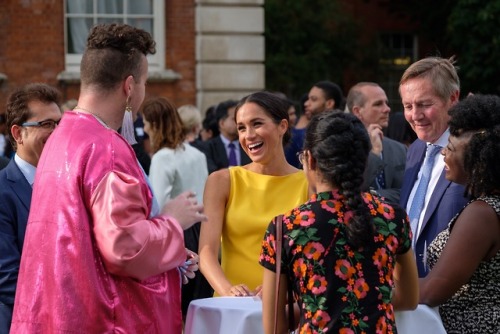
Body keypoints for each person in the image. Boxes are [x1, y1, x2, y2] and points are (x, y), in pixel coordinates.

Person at [10, 23, 206, 333]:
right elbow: (124, 248)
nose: (143, 92)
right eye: (144, 82)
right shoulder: (106, 148)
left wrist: (172, 257)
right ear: (129, 86)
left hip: (60, 312)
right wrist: (171, 221)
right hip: (101, 319)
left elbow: (84, 239)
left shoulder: (62, 137)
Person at [259, 111, 418, 333]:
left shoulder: (286, 227)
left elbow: (274, 327)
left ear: (310, 159)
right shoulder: (392, 216)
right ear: (364, 159)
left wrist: (317, 306)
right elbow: (410, 299)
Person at [199, 91, 309, 297]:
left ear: (282, 126)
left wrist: (284, 292)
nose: (248, 135)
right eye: (241, 128)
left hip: (287, 310)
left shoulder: (308, 183)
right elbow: (206, 254)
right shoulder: (222, 181)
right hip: (232, 310)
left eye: (257, 124)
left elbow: (314, 256)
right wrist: (229, 291)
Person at [419, 94, 500, 333]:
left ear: (479, 160)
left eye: (451, 147)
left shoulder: (482, 214)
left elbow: (431, 291)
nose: (444, 153)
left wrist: (366, 290)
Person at [142, 97, 212, 319]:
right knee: (198, 306)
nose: (143, 128)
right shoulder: (197, 154)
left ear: (154, 125)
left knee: (177, 308)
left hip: (178, 232)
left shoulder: (162, 157)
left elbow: (158, 206)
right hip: (203, 231)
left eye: (145, 123)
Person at [0, 83, 62, 333]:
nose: (57, 132)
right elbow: (6, 277)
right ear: (17, 133)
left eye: (60, 124)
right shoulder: (3, 192)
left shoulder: (70, 184)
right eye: (46, 124)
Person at [399, 56, 468, 277]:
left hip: (455, 294)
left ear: (453, 98)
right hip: (412, 294)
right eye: (408, 106)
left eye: (424, 105)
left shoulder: (473, 153)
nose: (415, 115)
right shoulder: (415, 150)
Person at [346, 82, 407, 204]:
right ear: (357, 111)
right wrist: (374, 153)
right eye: (378, 104)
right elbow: (349, 192)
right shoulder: (342, 147)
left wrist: (371, 196)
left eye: (386, 103)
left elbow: (409, 192)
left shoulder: (400, 149)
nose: (387, 109)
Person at [285, 81, 344, 168]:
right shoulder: (310, 133)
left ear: (329, 103)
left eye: (313, 99)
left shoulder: (343, 134)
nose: (306, 103)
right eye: (308, 99)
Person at [203, 99, 251, 173]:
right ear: (222, 123)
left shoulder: (249, 145)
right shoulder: (208, 147)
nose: (240, 123)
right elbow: (212, 172)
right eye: (234, 119)